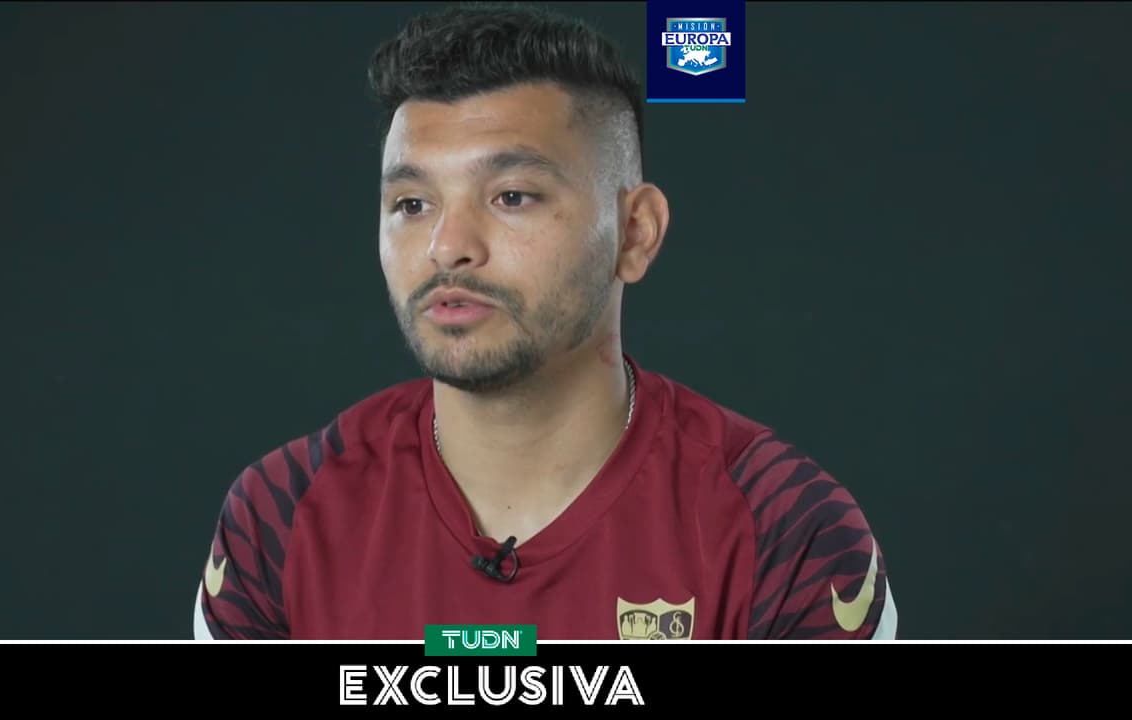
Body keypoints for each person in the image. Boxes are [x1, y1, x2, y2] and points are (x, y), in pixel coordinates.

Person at [193, 3, 898, 641]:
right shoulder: (281, 515)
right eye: (412, 204)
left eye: (512, 196)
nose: (447, 246)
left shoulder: (785, 527)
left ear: (635, 232)